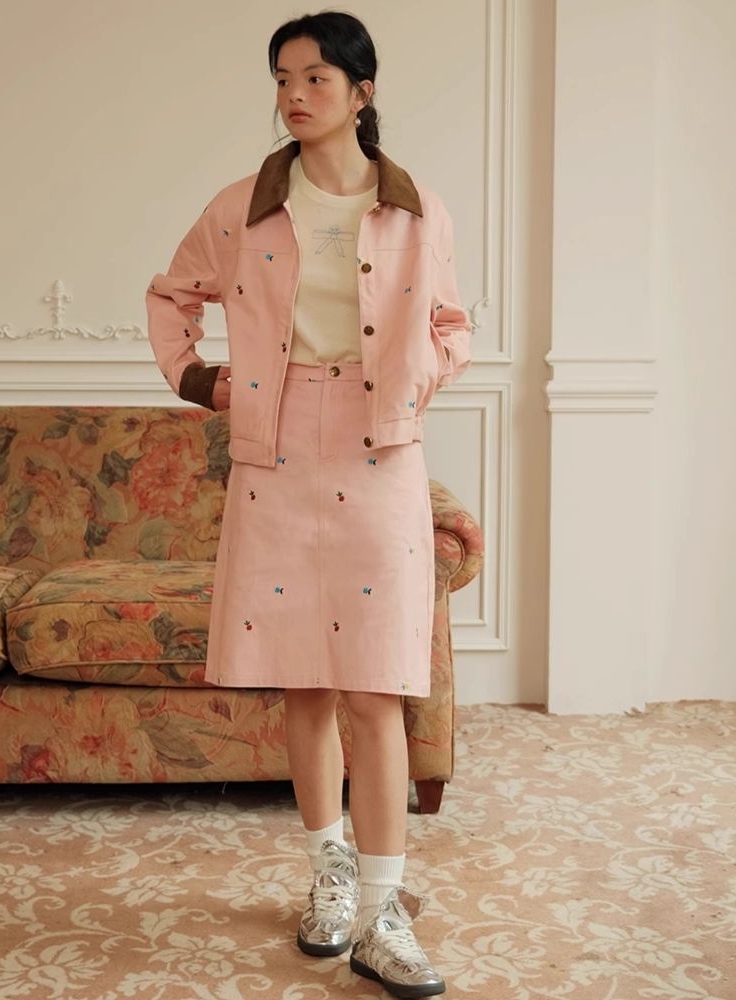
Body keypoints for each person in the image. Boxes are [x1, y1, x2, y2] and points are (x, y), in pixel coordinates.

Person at [145, 11, 473, 998]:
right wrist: (199, 379)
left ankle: (381, 912)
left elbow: (452, 323)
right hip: (277, 452)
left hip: (380, 456)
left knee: (376, 686)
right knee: (306, 685)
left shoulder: (416, 209)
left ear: (361, 93)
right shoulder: (242, 208)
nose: (294, 94)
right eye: (283, 78)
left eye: (316, 78)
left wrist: (420, 377)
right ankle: (329, 873)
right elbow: (170, 296)